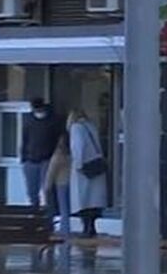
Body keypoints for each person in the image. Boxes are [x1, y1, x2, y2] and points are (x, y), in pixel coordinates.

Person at [67, 109, 107, 237]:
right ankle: (92, 227)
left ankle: (86, 228)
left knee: (83, 200)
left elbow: (78, 146)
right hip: (96, 165)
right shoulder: (91, 126)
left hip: (84, 169)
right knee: (94, 201)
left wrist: (78, 164)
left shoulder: (76, 128)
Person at [21, 98, 63, 208]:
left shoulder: (53, 120)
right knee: (32, 191)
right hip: (31, 159)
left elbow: (59, 138)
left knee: (47, 189)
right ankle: (35, 213)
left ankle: (49, 214)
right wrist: (24, 158)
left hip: (47, 159)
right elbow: (24, 138)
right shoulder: (28, 119)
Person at [41, 133, 72, 237]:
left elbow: (51, 172)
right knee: (67, 208)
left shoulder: (58, 156)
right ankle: (66, 229)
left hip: (61, 183)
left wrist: (47, 187)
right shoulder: (71, 154)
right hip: (72, 183)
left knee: (64, 209)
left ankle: (65, 231)